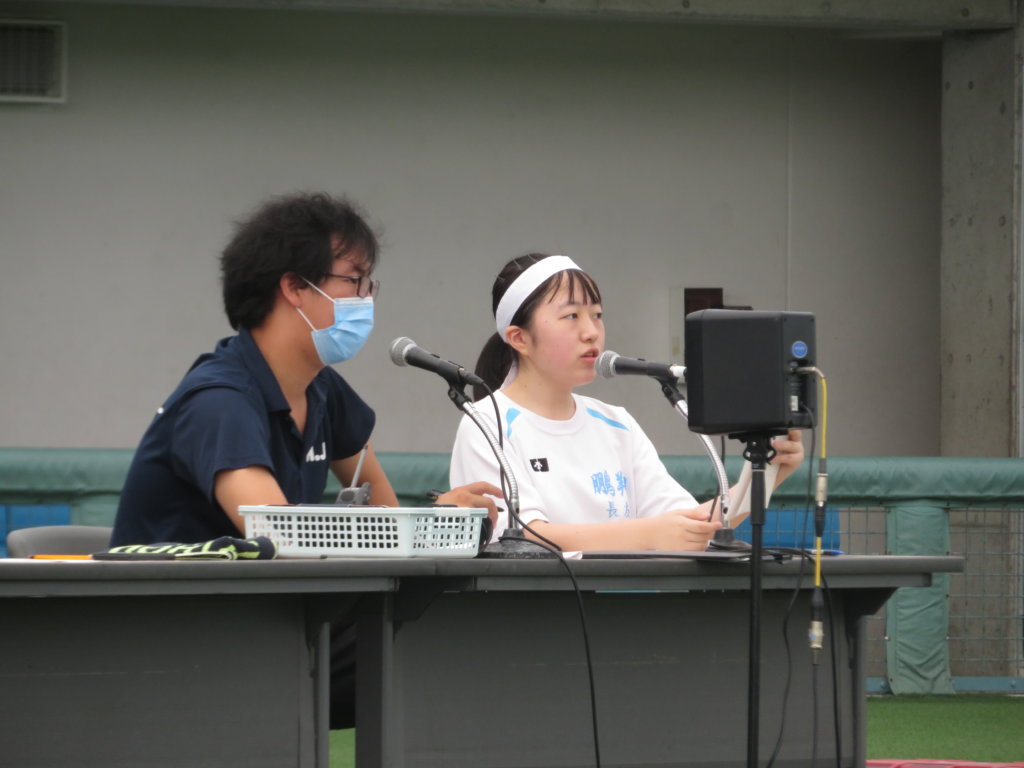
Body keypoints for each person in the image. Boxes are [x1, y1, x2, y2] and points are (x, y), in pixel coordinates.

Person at [111, 191, 500, 728]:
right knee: (425, 649)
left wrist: (440, 524)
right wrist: (433, 521)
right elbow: (280, 539)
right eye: (353, 281)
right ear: (294, 287)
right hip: (179, 636)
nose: (366, 300)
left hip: (268, 618)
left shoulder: (323, 391)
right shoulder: (219, 401)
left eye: (369, 285)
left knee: (454, 629)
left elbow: (385, 521)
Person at [449, 253, 804, 552]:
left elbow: (690, 525)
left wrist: (765, 474)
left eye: (597, 315)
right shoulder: (486, 423)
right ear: (519, 338)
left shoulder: (616, 423)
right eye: (571, 316)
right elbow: (522, 538)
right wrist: (649, 534)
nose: (591, 332)